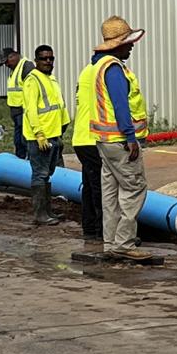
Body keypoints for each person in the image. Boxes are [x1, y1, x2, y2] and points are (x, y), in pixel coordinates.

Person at [89, 16, 152, 259]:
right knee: (134, 189)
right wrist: (130, 137)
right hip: (120, 141)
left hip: (105, 142)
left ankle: (111, 243)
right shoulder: (114, 69)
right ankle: (124, 244)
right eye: (128, 41)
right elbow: (120, 106)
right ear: (118, 44)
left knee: (111, 192)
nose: (132, 46)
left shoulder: (99, 65)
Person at [21, 44, 70, 226]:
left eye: (51, 58)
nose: (48, 61)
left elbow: (59, 106)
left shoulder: (51, 79)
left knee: (47, 174)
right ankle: (40, 214)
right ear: (36, 61)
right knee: (40, 174)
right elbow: (30, 110)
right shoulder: (33, 80)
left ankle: (47, 211)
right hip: (40, 138)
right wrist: (39, 133)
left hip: (54, 135)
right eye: (44, 58)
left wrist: (62, 128)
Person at [72, 54, 105, 242]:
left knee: (89, 185)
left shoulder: (87, 71)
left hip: (82, 138)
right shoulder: (101, 72)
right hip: (93, 138)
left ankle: (90, 228)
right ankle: (102, 231)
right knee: (101, 187)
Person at [0, 47, 33, 160]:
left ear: (13, 56)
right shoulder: (14, 70)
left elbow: (32, 90)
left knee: (25, 141)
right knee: (18, 142)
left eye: (6, 62)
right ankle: (20, 164)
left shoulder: (26, 67)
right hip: (16, 113)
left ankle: (30, 162)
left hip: (24, 112)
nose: (6, 65)